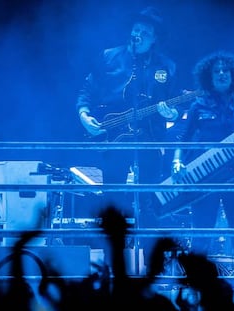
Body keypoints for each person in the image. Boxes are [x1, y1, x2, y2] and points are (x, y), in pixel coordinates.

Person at [76, 6, 180, 267]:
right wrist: (83, 114)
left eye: (145, 32)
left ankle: (150, 267)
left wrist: (172, 114)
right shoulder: (109, 57)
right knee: (113, 199)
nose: (139, 35)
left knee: (148, 202)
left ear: (154, 38)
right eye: (136, 30)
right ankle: (114, 266)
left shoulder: (166, 66)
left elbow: (175, 106)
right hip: (113, 135)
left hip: (150, 140)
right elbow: (87, 90)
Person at [170, 50, 234, 274]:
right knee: (202, 231)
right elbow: (184, 139)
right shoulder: (197, 106)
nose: (221, 74)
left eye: (225, 70)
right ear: (209, 76)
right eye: (216, 70)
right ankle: (197, 281)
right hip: (205, 179)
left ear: (233, 74)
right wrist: (177, 161)